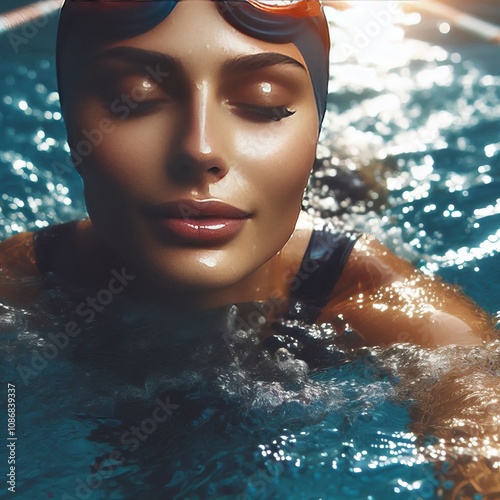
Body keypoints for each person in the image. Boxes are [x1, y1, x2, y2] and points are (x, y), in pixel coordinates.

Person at [0, 1, 498, 497]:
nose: (200, 149)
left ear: (313, 132)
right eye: (136, 98)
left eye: (265, 104)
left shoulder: (391, 307)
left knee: (353, 184)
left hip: (335, 203)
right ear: (69, 124)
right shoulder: (18, 283)